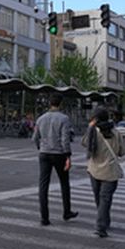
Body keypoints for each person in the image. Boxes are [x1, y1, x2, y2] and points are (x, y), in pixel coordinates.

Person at [33, 95, 78, 226]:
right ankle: (66, 211)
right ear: (60, 104)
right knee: (64, 183)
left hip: (44, 153)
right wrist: (68, 156)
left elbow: (35, 137)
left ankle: (44, 217)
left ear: (49, 104)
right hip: (59, 154)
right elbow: (65, 139)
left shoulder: (40, 119)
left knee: (43, 185)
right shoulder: (64, 118)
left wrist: (40, 147)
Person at [82, 108, 125, 238]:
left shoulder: (93, 132)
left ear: (95, 119)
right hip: (110, 171)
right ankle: (102, 224)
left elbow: (84, 143)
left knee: (99, 198)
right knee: (105, 199)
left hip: (94, 170)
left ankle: (103, 223)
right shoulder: (116, 133)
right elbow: (122, 152)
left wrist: (89, 127)